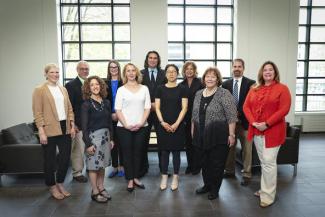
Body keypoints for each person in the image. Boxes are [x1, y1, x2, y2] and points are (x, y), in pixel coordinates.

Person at [243, 61, 291, 208]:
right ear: (261, 73)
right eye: (265, 70)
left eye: (270, 70)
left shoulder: (282, 89)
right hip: (257, 130)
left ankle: (268, 196)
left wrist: (267, 124)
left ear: (275, 72)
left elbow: (284, 109)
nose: (268, 72)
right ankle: (265, 188)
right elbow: (246, 107)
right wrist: (253, 122)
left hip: (273, 131)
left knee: (269, 162)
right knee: (264, 162)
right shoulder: (254, 88)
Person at [192, 67, 237, 200]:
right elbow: (194, 115)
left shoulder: (224, 93)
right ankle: (207, 185)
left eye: (213, 76)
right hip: (201, 135)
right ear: (204, 78)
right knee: (205, 163)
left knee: (217, 164)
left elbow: (232, 115)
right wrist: (193, 132)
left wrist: (232, 134)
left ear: (217, 79)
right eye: (207, 76)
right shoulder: (198, 93)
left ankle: (215, 189)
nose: (210, 79)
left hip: (219, 135)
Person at [32, 63, 75, 200]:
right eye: (52, 72)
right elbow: (37, 112)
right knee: (49, 160)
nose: (55, 75)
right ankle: (52, 186)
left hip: (65, 128)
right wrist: (41, 131)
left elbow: (69, 109)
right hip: (48, 129)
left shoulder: (63, 89)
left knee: (65, 158)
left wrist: (72, 125)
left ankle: (60, 183)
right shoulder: (39, 90)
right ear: (46, 74)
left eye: (57, 72)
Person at [115, 63, 151, 192]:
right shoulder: (121, 89)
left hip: (141, 126)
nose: (131, 73)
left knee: (138, 153)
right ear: (125, 74)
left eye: (133, 71)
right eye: (128, 71)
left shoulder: (144, 88)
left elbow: (147, 107)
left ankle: (136, 177)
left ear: (137, 73)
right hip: (124, 127)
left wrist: (141, 123)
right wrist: (126, 125)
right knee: (127, 153)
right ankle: (130, 179)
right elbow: (118, 110)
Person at [81, 76, 114, 203]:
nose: (95, 87)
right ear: (88, 88)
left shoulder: (106, 102)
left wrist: (112, 138)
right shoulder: (86, 104)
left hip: (106, 138)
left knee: (102, 165)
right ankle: (94, 191)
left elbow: (110, 122)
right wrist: (88, 144)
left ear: (101, 86)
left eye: (97, 84)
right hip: (93, 139)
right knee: (93, 166)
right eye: (92, 85)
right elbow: (84, 128)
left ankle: (101, 187)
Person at [155, 64, 188, 191]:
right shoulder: (160, 88)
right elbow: (157, 107)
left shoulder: (182, 89)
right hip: (163, 125)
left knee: (176, 152)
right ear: (165, 74)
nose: (171, 74)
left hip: (177, 125)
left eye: (174, 71)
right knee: (164, 152)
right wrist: (162, 122)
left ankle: (175, 177)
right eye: (169, 72)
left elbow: (184, 108)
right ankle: (164, 176)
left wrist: (176, 124)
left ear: (177, 73)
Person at [223, 59, 255, 186]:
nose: (237, 68)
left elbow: (252, 102)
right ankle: (229, 170)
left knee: (247, 149)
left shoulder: (251, 84)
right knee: (230, 147)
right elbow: (224, 103)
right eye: (235, 66)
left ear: (243, 68)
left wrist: (239, 112)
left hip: (245, 123)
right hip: (231, 123)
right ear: (232, 68)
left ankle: (247, 174)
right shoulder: (225, 84)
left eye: (239, 66)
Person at [141, 51, 167, 175]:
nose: (152, 60)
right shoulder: (140, 74)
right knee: (143, 140)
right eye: (150, 58)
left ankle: (163, 168)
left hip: (160, 112)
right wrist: (148, 105)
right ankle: (143, 167)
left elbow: (168, 91)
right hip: (144, 112)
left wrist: (156, 105)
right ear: (147, 59)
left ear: (158, 60)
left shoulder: (164, 74)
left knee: (162, 141)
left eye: (155, 58)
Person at [65, 61, 89, 183]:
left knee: (90, 146)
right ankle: (77, 172)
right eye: (82, 69)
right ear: (77, 70)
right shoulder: (70, 85)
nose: (85, 71)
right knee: (78, 149)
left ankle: (91, 167)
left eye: (87, 69)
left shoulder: (90, 83)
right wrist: (73, 124)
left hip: (91, 123)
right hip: (78, 124)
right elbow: (69, 107)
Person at [180, 61, 204, 175]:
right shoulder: (181, 84)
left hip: (198, 117)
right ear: (184, 71)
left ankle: (197, 166)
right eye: (187, 69)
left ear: (195, 71)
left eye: (191, 69)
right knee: (188, 143)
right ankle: (190, 165)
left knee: (197, 142)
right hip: (185, 117)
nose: (189, 71)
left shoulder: (200, 83)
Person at [106, 60, 124, 178]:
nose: (113, 69)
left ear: (118, 68)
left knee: (122, 142)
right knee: (112, 143)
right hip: (108, 116)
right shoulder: (104, 83)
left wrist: (118, 113)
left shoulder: (123, 82)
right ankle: (115, 167)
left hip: (122, 116)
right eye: (111, 67)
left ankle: (122, 167)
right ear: (109, 69)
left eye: (115, 67)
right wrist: (110, 114)